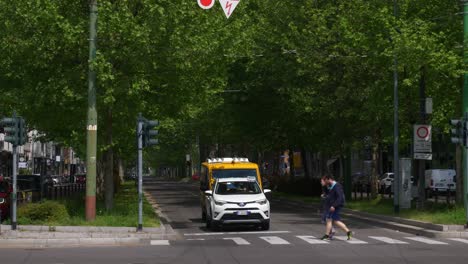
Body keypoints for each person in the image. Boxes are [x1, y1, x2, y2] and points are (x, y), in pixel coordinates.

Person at [321, 175, 352, 241]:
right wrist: (324, 187)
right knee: (335, 221)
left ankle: (327, 235)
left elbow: (340, 197)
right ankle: (348, 232)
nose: (325, 182)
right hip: (333, 205)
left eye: (325, 180)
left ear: (329, 179)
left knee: (329, 219)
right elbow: (329, 194)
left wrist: (334, 206)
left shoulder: (337, 186)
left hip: (336, 206)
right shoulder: (331, 186)